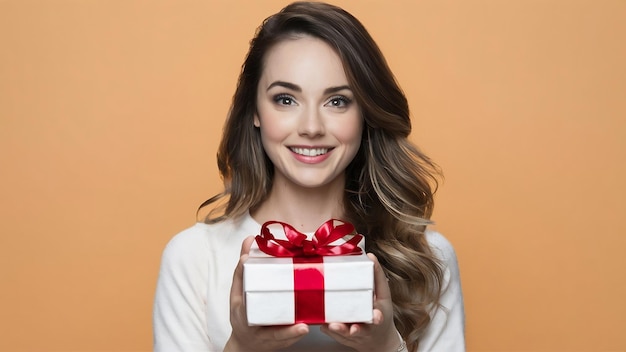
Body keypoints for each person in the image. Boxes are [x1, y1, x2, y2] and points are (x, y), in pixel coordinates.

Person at [153, 2, 465, 351]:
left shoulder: (425, 257)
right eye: (286, 100)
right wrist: (241, 347)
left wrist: (386, 346)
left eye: (337, 102)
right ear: (254, 110)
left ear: (365, 112)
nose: (312, 128)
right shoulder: (194, 257)